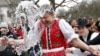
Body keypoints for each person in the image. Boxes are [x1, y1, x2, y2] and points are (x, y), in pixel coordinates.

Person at [7, 4, 99, 56]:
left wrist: (90, 50)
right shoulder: (38, 24)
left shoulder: (61, 23)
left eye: (46, 17)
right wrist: (12, 41)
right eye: (41, 18)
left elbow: (74, 41)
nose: (43, 20)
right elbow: (29, 41)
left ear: (53, 15)